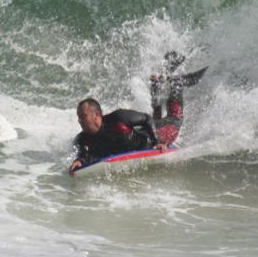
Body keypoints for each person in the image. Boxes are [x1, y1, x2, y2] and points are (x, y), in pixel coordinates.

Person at [68, 52, 205, 175]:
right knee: (156, 117)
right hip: (139, 136)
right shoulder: (82, 139)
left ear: (97, 115)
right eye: (79, 118)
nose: (80, 121)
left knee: (175, 119)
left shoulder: (118, 118)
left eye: (83, 116)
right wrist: (79, 161)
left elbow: (146, 119)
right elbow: (82, 154)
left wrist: (157, 142)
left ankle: (176, 84)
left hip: (150, 140)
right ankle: (157, 83)